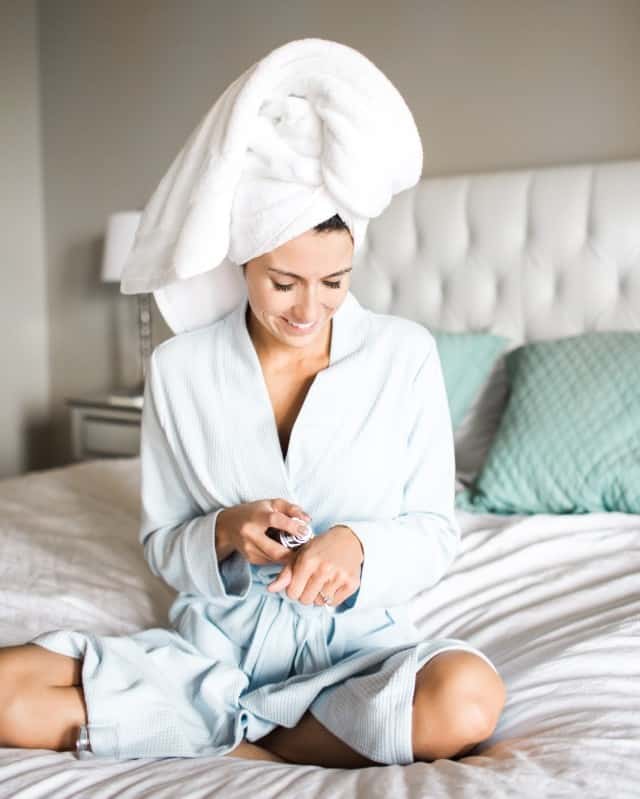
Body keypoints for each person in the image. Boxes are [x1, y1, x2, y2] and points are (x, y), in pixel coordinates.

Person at [0, 213, 506, 767]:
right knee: (6, 691)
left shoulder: (404, 354)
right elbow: (162, 544)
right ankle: (252, 731)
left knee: (466, 699)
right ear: (243, 264)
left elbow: (435, 535)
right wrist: (224, 531)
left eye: (333, 282)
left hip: (357, 653)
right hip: (212, 654)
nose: (309, 310)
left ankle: (241, 742)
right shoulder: (179, 367)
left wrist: (357, 548)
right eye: (284, 284)